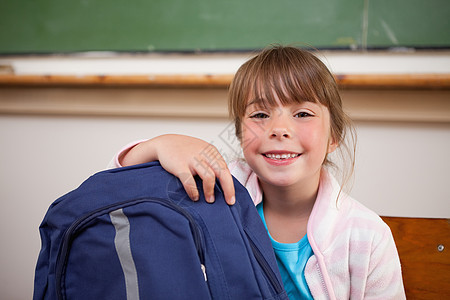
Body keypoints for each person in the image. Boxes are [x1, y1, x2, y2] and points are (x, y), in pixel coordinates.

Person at [110, 45, 405, 299]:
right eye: (260, 115)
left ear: (333, 136)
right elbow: (117, 194)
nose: (279, 129)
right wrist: (160, 145)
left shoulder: (367, 237)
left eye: (302, 114)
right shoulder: (214, 191)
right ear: (239, 135)